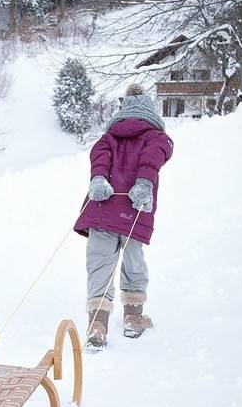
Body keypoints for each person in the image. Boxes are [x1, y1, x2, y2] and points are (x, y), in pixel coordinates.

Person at [73, 83, 174, 349]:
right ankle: (133, 318)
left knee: (100, 265)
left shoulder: (110, 136)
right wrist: (144, 183)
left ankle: (97, 324)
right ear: (148, 109)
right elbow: (154, 156)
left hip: (102, 211)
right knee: (133, 263)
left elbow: (99, 156)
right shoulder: (156, 136)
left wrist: (98, 179)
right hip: (133, 210)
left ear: (123, 108)